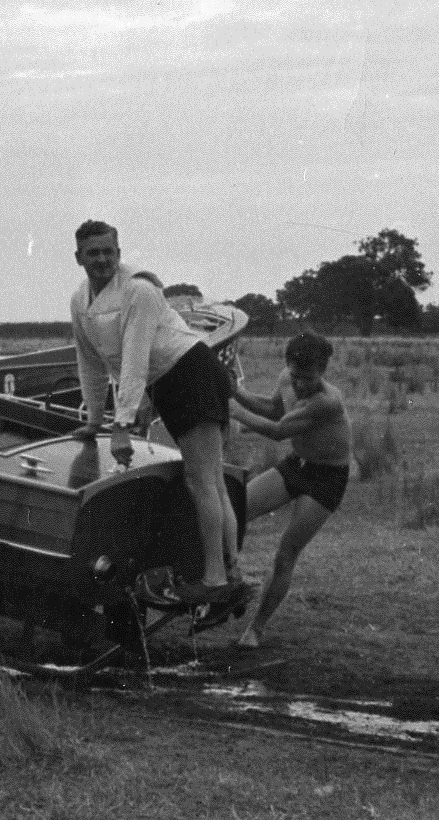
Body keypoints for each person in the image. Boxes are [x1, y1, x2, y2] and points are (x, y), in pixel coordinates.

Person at [69, 219, 250, 610]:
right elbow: (90, 363)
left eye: (109, 252)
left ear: (119, 252)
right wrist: (94, 418)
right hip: (173, 381)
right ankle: (232, 573)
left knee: (202, 480)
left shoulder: (140, 290)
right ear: (79, 257)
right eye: (93, 253)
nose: (102, 259)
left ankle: (216, 579)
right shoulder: (80, 300)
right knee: (211, 480)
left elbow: (134, 360)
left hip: (190, 372)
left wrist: (121, 426)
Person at [228, 332, 351, 648]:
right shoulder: (288, 378)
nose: (298, 385)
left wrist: (235, 410)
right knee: (233, 511)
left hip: (327, 479)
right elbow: (273, 408)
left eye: (307, 379)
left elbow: (279, 430)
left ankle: (256, 629)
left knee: (285, 555)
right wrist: (236, 391)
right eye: (294, 376)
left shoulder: (327, 402)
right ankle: (229, 581)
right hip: (297, 464)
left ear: (322, 369)